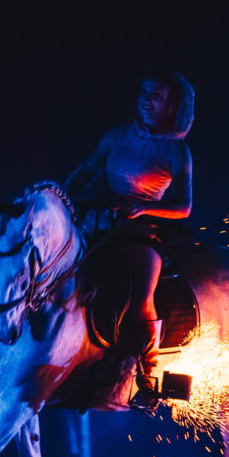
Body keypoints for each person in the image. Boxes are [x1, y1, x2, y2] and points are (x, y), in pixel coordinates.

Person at [64, 68, 194, 409]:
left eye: (156, 96)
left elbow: (184, 207)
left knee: (141, 294)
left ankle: (148, 380)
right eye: (143, 93)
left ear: (171, 105)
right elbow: (87, 170)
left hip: (143, 229)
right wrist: (63, 196)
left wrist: (142, 207)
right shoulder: (117, 136)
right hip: (102, 221)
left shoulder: (176, 151)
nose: (147, 101)